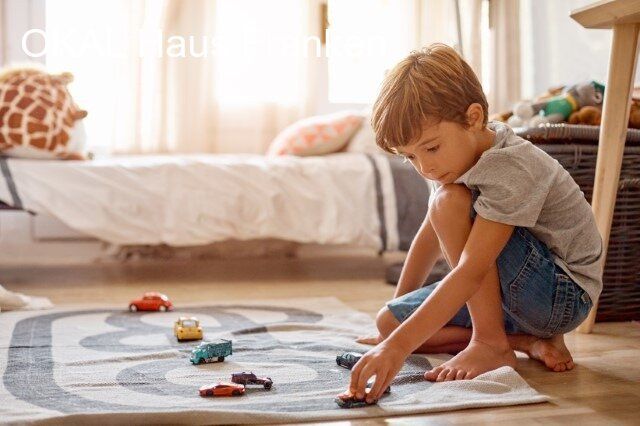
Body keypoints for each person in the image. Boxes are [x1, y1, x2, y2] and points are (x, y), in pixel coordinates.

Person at [349, 43, 603, 404]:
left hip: (561, 294)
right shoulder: (456, 157)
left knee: (449, 201)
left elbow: (471, 270)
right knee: (388, 322)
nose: (425, 167)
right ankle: (525, 343)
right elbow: (429, 236)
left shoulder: (509, 166)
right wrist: (396, 328)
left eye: (431, 148)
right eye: (410, 157)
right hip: (518, 295)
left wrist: (398, 350)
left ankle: (490, 342)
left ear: (472, 117)